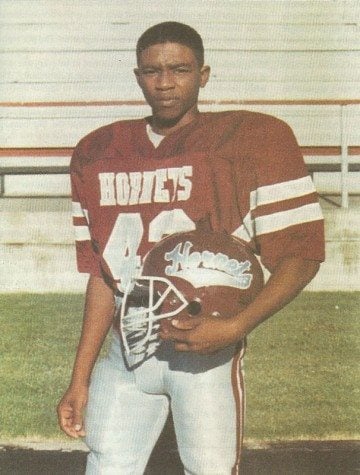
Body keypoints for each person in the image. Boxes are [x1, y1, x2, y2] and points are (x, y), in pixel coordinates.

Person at [57, 21, 325, 474]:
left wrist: (237, 325)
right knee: (105, 466)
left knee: (211, 469)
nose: (165, 83)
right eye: (152, 71)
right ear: (137, 75)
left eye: (179, 69)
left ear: (203, 74)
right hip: (127, 351)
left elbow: (302, 255)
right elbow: (104, 276)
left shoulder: (254, 138)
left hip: (204, 350)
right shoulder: (96, 151)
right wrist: (78, 377)